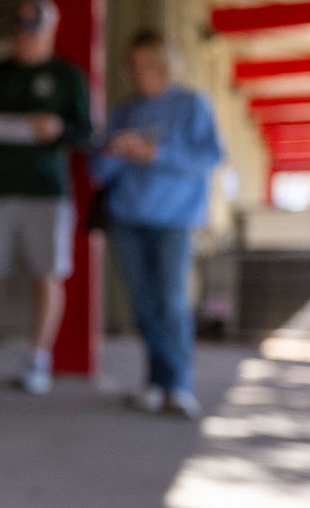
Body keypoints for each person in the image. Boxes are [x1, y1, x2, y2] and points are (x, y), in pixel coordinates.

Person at [0, 0, 92, 394]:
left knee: (46, 274)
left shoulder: (67, 78)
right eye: (19, 31)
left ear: (49, 32)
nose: (24, 40)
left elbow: (86, 134)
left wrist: (58, 130)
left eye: (32, 32)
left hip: (46, 190)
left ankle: (37, 358)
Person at [92, 29, 223, 418]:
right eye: (132, 66)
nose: (139, 73)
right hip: (128, 218)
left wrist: (155, 152)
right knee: (143, 304)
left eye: (147, 65)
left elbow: (208, 157)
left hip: (174, 220)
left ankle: (178, 385)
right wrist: (118, 150)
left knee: (171, 302)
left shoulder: (192, 104)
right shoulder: (124, 111)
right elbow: (98, 170)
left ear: (166, 64)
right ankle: (155, 380)